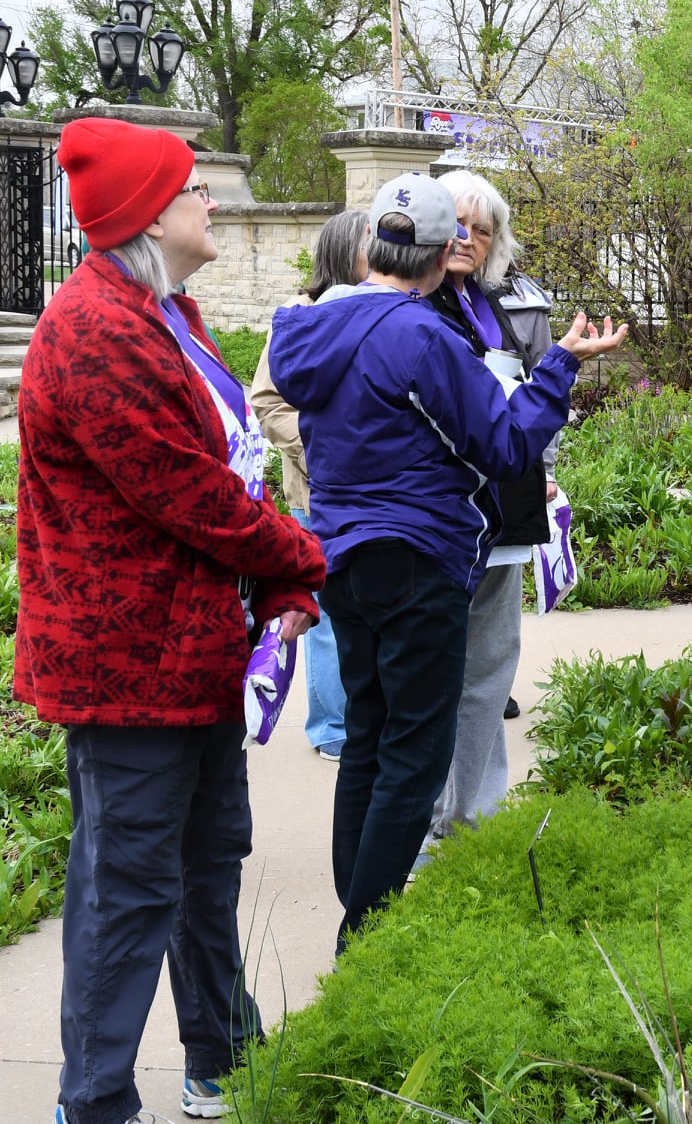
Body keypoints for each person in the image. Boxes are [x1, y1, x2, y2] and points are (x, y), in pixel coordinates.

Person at [16, 117, 326, 1124]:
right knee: (128, 890)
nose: (213, 203)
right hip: (128, 668)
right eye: (194, 190)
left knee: (204, 863)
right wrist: (307, 558)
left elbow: (232, 465)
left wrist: (277, 588)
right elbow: (188, 494)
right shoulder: (97, 332)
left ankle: (219, 1060)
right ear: (151, 214)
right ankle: (94, 1100)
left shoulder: (169, 314)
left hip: (190, 654)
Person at [267, 173, 626, 951]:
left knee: (369, 733)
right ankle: (365, 936)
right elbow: (502, 444)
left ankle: (360, 908)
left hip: (340, 557)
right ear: (434, 259)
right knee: (416, 751)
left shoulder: (307, 328)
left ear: (371, 249)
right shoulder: (420, 334)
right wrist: (560, 363)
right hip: (414, 558)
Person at [420, 169, 558, 850]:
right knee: (440, 675)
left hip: (504, 511)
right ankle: (437, 822)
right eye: (455, 223)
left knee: (489, 673)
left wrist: (546, 471)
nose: (465, 238)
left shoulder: (491, 304)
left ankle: (477, 813)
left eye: (480, 229)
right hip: (446, 519)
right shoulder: (416, 306)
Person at [249, 209, 368, 761]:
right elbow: (267, 401)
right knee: (322, 617)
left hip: (374, 497)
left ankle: (365, 718)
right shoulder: (300, 315)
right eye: (372, 241)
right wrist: (320, 440)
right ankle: (331, 729)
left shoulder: (391, 309)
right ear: (345, 251)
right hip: (315, 492)